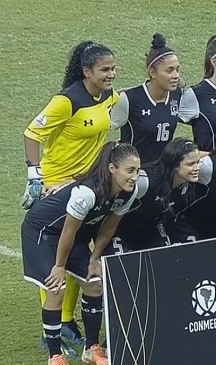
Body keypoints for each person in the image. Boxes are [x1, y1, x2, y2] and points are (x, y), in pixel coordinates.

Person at [21, 40, 119, 357]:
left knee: (76, 247)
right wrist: (37, 177)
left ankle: (67, 322)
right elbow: (31, 134)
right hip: (55, 184)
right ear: (87, 71)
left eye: (113, 69)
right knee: (53, 251)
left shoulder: (110, 97)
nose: (111, 75)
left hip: (86, 182)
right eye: (105, 70)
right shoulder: (67, 101)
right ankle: (57, 328)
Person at [21, 142, 140, 365]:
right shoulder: (86, 192)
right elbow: (68, 230)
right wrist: (59, 267)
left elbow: (108, 227)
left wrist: (94, 259)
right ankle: (55, 356)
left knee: (94, 282)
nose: (134, 177)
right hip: (43, 232)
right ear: (112, 168)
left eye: (137, 171)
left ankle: (91, 349)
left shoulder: (128, 192)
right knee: (55, 288)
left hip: (73, 236)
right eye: (130, 170)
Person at [103, 138, 202, 255]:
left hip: (151, 227)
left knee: (163, 259)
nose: (197, 168)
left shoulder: (188, 182)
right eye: (190, 164)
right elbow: (110, 193)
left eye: (198, 162)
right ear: (175, 165)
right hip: (122, 227)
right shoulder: (145, 182)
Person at [110, 33, 183, 164]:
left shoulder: (177, 94)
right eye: (169, 70)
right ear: (153, 73)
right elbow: (106, 127)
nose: (176, 75)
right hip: (135, 173)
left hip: (163, 171)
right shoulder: (130, 99)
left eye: (177, 70)